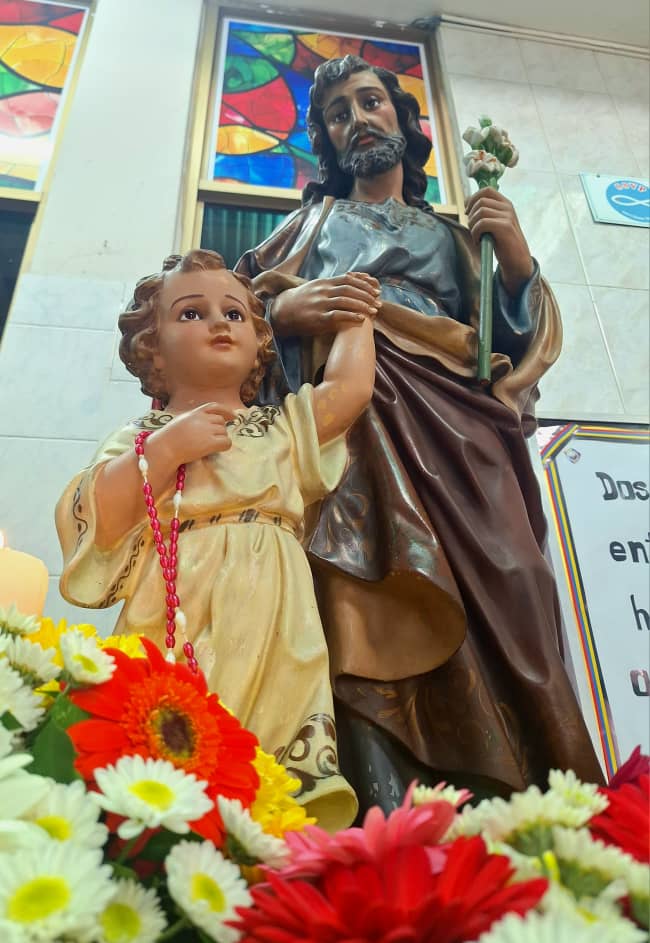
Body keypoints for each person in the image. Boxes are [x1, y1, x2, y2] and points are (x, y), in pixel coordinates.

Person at [236, 54, 604, 811]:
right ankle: (389, 801)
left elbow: (509, 344)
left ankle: (544, 797)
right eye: (338, 114)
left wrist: (516, 263)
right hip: (358, 407)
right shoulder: (308, 228)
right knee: (367, 582)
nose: (357, 120)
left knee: (519, 579)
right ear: (328, 142)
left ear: (403, 120)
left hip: (462, 419)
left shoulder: (456, 236)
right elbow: (234, 320)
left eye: (370, 101)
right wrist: (283, 312)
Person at [56, 248, 379, 831]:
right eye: (191, 313)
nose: (218, 323)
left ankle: (270, 840)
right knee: (169, 737)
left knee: (276, 738)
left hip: (277, 608)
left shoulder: (280, 426)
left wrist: (357, 316)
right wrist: (166, 450)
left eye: (234, 314)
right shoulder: (144, 433)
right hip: (179, 597)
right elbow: (98, 513)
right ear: (152, 347)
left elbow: (348, 390)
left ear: (259, 341)